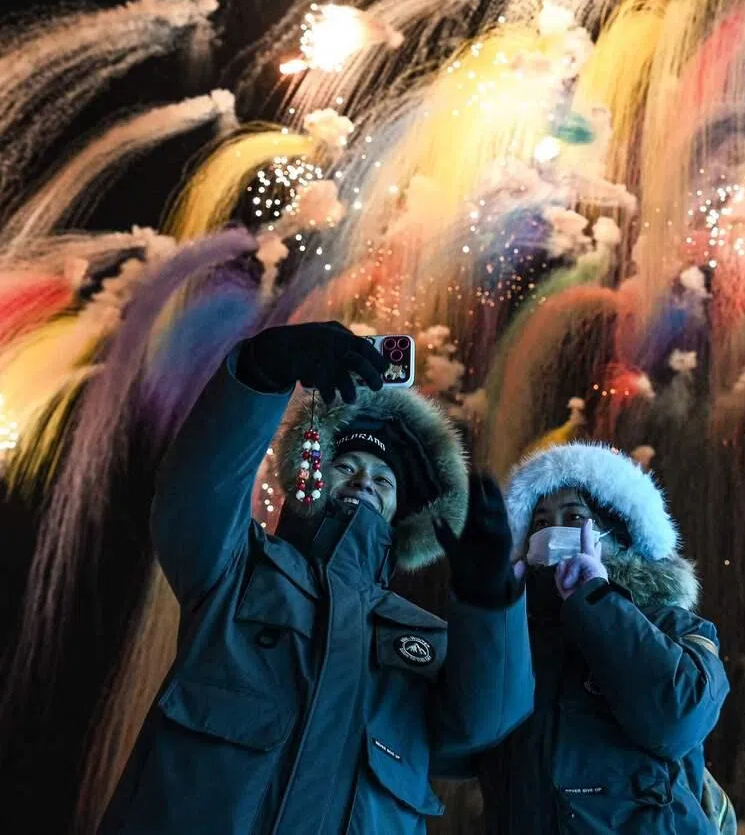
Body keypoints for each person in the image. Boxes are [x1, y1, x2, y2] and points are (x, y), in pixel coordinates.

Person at [99, 321, 533, 835]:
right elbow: (193, 500)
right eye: (347, 465)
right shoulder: (238, 568)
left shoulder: (426, 638)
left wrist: (491, 602)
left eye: (384, 479)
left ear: (403, 513)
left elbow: (485, 726)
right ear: (313, 474)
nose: (364, 482)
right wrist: (260, 373)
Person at [465, 440, 730, 833]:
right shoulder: (519, 636)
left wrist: (596, 601)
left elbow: (678, 718)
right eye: (540, 523)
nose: (554, 532)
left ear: (620, 537)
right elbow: (461, 739)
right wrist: (491, 620)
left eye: (574, 517)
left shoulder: (676, 628)